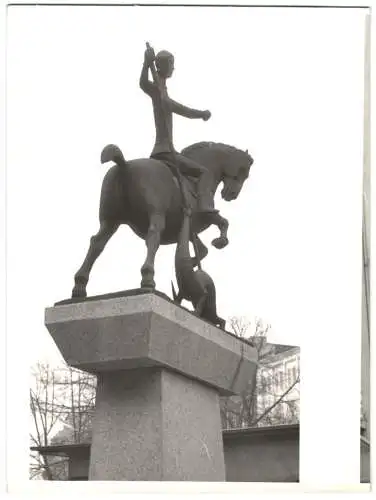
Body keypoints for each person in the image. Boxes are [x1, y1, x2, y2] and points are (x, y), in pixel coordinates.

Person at [140, 45, 218, 215]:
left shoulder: (162, 91)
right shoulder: (158, 91)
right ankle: (204, 205)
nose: (173, 68)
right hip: (165, 151)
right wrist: (146, 64)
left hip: (165, 150)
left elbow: (182, 109)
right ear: (165, 66)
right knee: (204, 172)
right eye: (172, 64)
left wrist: (146, 65)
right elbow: (144, 84)